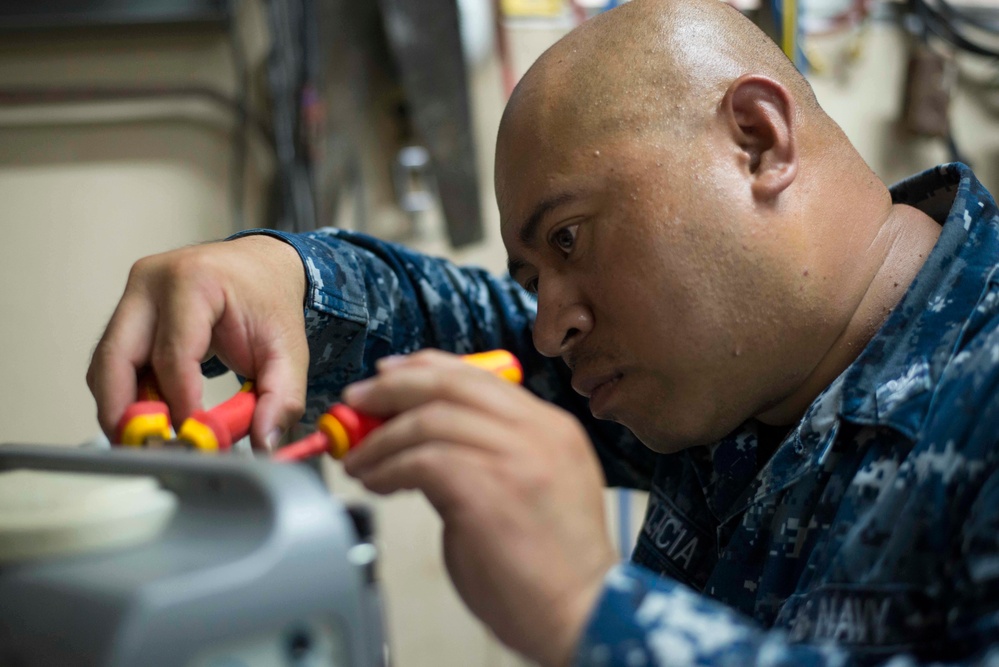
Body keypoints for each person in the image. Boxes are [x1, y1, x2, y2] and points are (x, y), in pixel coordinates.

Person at [88, 0, 999, 664]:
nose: (551, 324)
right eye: (533, 277)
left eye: (569, 238)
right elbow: (473, 335)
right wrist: (284, 278)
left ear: (757, 140)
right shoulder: (733, 368)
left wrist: (589, 611)